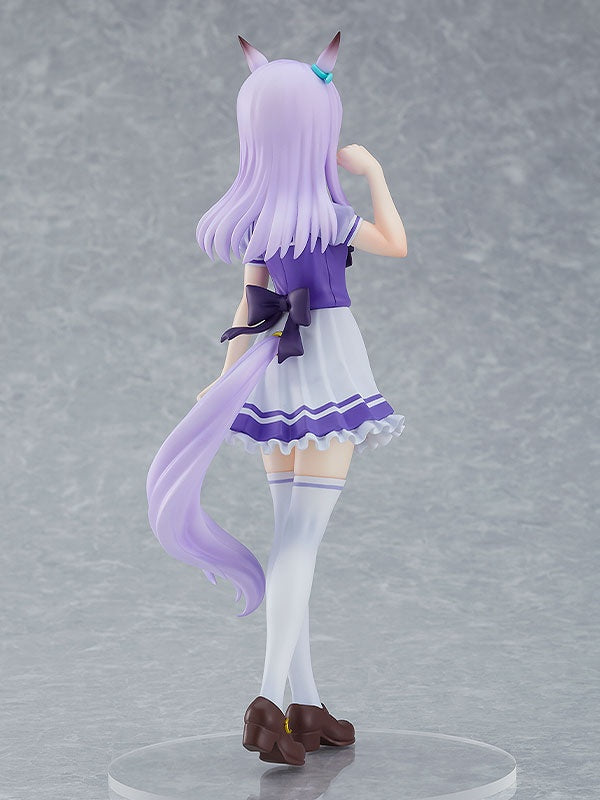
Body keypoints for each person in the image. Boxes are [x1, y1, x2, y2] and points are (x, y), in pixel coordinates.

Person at [147, 31, 407, 767]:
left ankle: (305, 703)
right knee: (300, 544)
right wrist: (373, 170)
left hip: (273, 368)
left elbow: (248, 304)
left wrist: (227, 376)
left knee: (291, 536)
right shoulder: (332, 217)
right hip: (324, 370)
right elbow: (395, 242)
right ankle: (265, 702)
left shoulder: (264, 221)